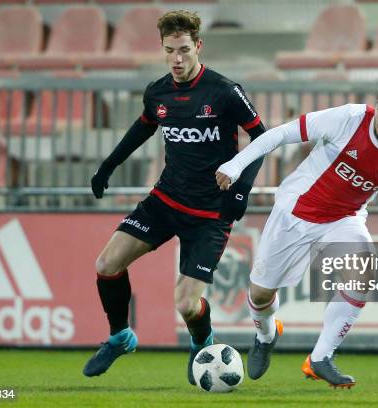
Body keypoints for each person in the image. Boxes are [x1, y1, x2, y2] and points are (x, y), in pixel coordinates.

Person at [216, 77, 378, 388]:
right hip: (295, 211)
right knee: (260, 294)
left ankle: (320, 358)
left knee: (364, 270)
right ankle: (266, 335)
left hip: (344, 219)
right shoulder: (349, 119)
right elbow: (282, 134)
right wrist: (236, 164)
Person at [82, 10, 266, 385]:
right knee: (106, 263)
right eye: (170, 51)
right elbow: (142, 128)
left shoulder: (225, 91)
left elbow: (262, 139)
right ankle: (120, 336)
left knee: (185, 304)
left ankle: (203, 345)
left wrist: (241, 188)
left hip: (211, 213)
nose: (178, 59)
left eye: (184, 50)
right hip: (165, 200)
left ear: (198, 46)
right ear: (163, 50)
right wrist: (107, 166)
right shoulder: (158, 92)